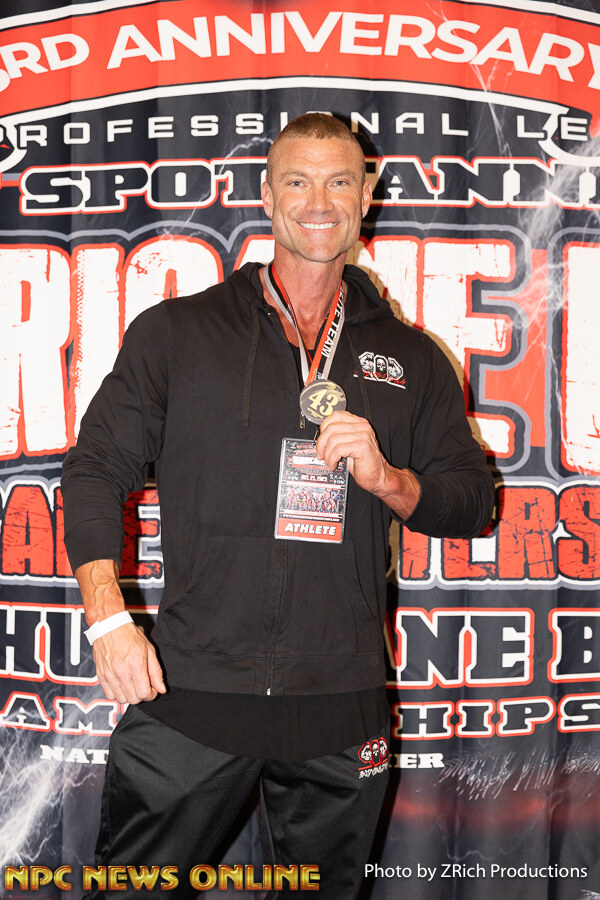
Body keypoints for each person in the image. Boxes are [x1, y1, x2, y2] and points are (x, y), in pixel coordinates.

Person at [61, 113, 495, 898]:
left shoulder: (411, 357)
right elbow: (94, 468)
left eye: (339, 182)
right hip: (190, 695)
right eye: (297, 181)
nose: (318, 202)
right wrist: (107, 618)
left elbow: (472, 503)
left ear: (366, 196)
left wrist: (390, 480)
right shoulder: (179, 333)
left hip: (340, 708)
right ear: (266, 196)